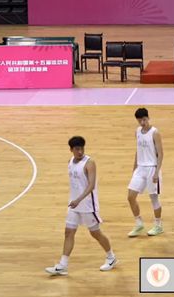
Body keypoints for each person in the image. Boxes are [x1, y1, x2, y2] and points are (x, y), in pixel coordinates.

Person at [45, 136, 118, 276]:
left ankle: (111, 257)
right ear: (71, 150)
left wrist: (78, 200)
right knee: (68, 232)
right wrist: (74, 200)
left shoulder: (89, 163)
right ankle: (63, 265)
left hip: (88, 205)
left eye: (82, 148)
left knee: (95, 233)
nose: (80, 151)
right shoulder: (70, 162)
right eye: (77, 149)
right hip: (74, 204)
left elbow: (91, 185)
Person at [127, 108, 165, 237]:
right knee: (130, 197)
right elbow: (138, 150)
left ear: (148, 118)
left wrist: (157, 172)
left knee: (153, 198)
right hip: (140, 168)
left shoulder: (155, 133)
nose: (142, 123)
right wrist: (134, 168)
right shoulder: (137, 131)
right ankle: (139, 224)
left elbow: (160, 154)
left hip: (152, 168)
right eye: (140, 121)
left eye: (144, 120)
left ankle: (158, 225)